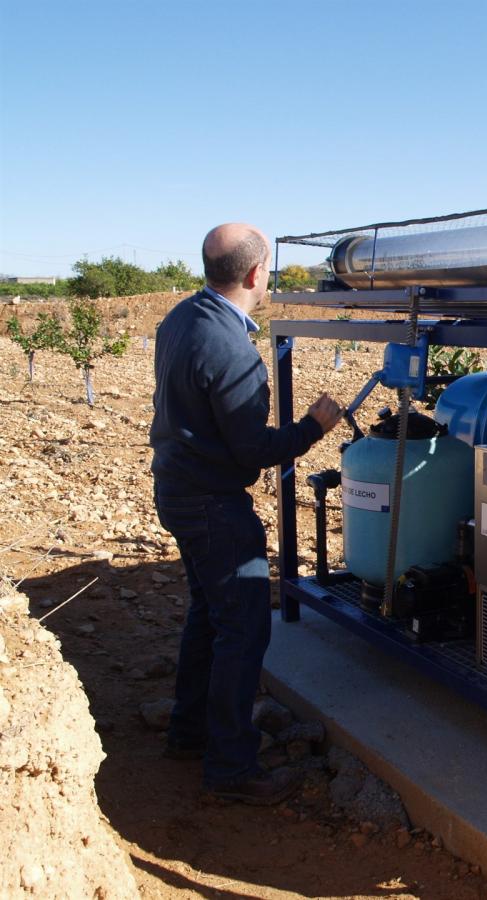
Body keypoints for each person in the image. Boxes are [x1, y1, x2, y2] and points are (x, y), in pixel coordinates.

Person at [150, 223, 341, 804]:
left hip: (179, 488)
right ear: (257, 274)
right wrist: (314, 427)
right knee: (245, 625)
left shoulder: (180, 317)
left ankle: (189, 732)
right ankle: (232, 768)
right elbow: (252, 451)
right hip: (212, 502)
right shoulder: (233, 349)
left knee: (210, 613)